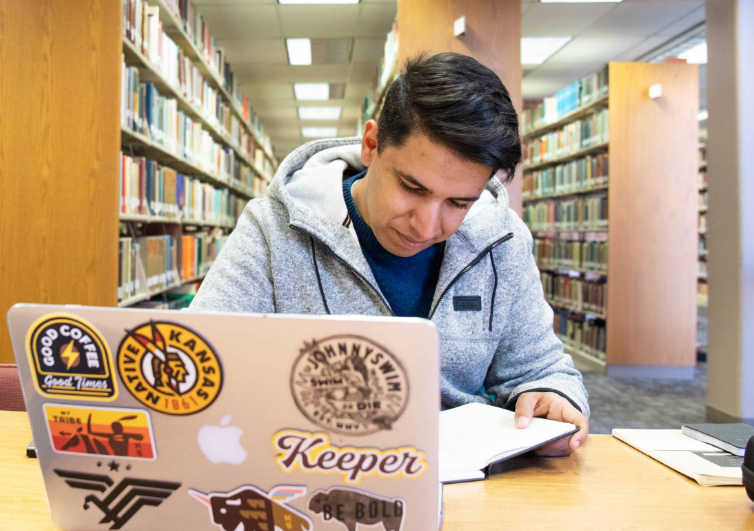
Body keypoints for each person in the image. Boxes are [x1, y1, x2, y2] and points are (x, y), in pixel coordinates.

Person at [190, 52, 588, 454]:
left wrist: (554, 399)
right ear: (371, 145)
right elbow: (198, 359)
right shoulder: (271, 230)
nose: (427, 225)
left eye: (458, 203)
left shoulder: (504, 242)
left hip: (467, 486)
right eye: (412, 189)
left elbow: (543, 370)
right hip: (311, 470)